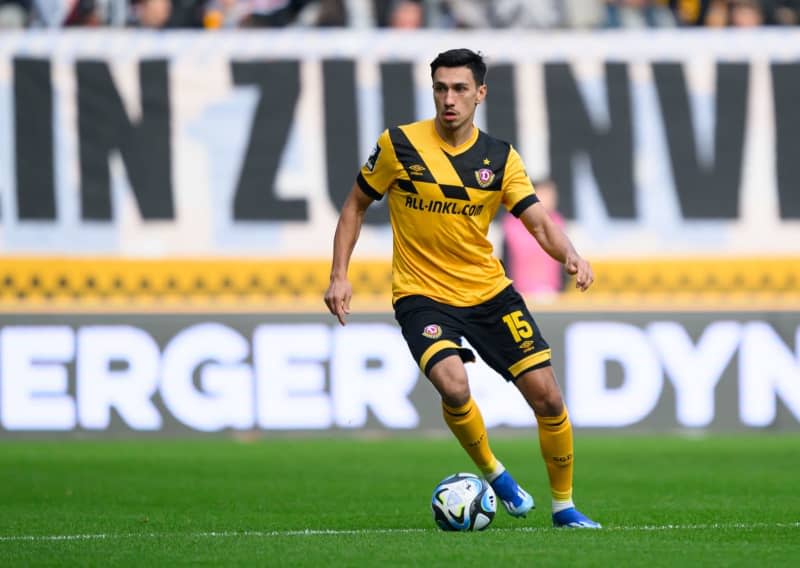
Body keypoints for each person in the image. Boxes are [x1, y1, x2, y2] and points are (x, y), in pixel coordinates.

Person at [324, 48, 600, 529]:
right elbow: (353, 206)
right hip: (421, 294)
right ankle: (496, 474)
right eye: (440, 88)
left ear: (480, 93)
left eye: (459, 89)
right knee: (454, 385)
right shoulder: (398, 146)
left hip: (489, 293)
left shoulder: (500, 157)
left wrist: (570, 254)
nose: (448, 99)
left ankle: (564, 507)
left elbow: (538, 221)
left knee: (549, 399)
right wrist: (338, 274)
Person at [502, 177, 566, 297]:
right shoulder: (512, 224)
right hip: (520, 293)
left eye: (552, 194)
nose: (551, 199)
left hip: (552, 293)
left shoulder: (558, 222)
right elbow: (506, 261)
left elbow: (563, 263)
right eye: (545, 194)